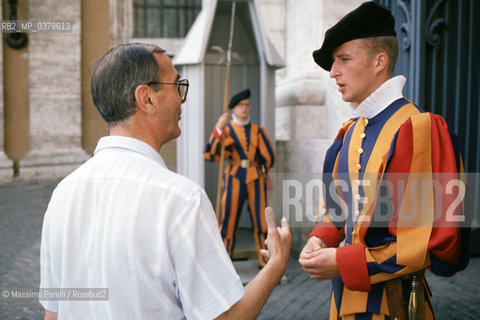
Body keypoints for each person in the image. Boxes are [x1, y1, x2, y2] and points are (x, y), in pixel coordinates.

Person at [40, 43, 291, 320]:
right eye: (176, 86)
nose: (182, 98)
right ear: (146, 98)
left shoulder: (63, 193)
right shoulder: (182, 200)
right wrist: (275, 266)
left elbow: (53, 313)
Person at [298, 2, 469, 320]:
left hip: (396, 306)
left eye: (344, 59)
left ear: (380, 61)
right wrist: (319, 239)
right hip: (343, 303)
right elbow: (340, 213)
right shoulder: (350, 132)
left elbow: (422, 244)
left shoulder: (419, 129)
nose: (333, 72)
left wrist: (340, 262)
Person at [204, 88, 276, 268]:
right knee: (228, 220)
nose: (245, 108)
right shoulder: (226, 130)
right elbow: (210, 154)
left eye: (247, 105)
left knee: (261, 221)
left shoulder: (258, 131)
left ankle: (265, 260)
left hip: (256, 178)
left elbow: (269, 158)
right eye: (240, 106)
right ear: (233, 109)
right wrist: (219, 128)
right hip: (234, 177)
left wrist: (265, 171)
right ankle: (224, 262)